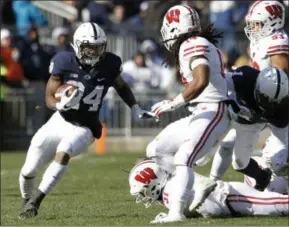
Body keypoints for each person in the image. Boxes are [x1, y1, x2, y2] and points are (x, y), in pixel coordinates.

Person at [18, 22, 157, 219]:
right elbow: (49, 95)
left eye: (97, 47)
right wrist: (58, 104)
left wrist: (135, 107)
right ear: (77, 45)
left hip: (86, 126)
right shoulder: (63, 61)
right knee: (29, 169)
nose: (93, 52)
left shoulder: (110, 63)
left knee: (64, 151)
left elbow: (121, 86)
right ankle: (26, 199)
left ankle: (36, 201)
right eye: (88, 47)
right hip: (60, 119)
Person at [146, 5, 230, 223]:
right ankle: (196, 187)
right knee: (157, 148)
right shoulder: (197, 43)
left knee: (183, 159)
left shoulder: (192, 44)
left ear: (174, 28)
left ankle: (176, 212)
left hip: (212, 111)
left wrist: (173, 103)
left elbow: (200, 81)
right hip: (201, 112)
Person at [212, 0, 289, 190]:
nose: (252, 27)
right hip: (258, 101)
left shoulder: (276, 40)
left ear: (272, 22)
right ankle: (213, 183)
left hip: (277, 105)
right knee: (228, 144)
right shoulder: (260, 39)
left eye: (257, 23)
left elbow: (281, 77)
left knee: (277, 160)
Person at [128, 159, 288, 224]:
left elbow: (212, 203)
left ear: (151, 183)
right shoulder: (171, 189)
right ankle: (281, 178)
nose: (143, 196)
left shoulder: (173, 188)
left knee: (280, 205)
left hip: (232, 197)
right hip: (230, 199)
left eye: (142, 191)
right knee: (275, 198)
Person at [209, 66, 288, 191]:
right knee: (220, 145)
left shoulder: (283, 110)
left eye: (274, 102)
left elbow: (282, 141)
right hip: (228, 113)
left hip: (251, 124)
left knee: (240, 163)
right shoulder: (245, 78)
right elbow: (215, 81)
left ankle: (262, 176)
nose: (269, 105)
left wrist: (281, 160)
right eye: (265, 99)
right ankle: (212, 182)